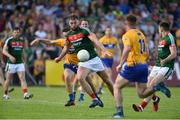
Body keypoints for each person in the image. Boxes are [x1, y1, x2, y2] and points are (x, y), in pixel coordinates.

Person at [55, 15, 114, 108]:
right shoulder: (69, 35)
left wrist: (104, 50)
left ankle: (117, 99)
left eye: (75, 22)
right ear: (69, 23)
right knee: (80, 78)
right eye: (71, 23)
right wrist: (59, 57)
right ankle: (95, 99)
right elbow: (66, 47)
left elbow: (95, 40)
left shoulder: (84, 31)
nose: (73, 24)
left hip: (94, 59)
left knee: (107, 80)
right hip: (83, 61)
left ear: (78, 22)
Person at [31, 28, 97, 106]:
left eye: (67, 35)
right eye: (65, 36)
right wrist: (39, 39)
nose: (66, 37)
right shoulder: (62, 41)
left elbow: (90, 45)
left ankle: (95, 98)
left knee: (88, 82)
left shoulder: (79, 41)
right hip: (69, 64)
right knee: (67, 78)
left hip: (81, 64)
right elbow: (50, 42)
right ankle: (71, 99)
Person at [132, 21, 176, 112]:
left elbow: (174, 54)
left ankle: (141, 107)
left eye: (159, 28)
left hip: (166, 66)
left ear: (161, 29)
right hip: (157, 65)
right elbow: (162, 52)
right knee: (149, 86)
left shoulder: (170, 38)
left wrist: (165, 60)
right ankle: (155, 99)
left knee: (152, 84)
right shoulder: (162, 38)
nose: (158, 30)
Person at [112, 14, 150, 118]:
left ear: (126, 23)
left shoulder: (127, 35)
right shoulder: (141, 34)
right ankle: (156, 87)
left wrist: (120, 63)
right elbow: (147, 51)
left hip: (133, 65)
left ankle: (119, 112)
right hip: (143, 65)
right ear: (135, 23)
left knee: (117, 86)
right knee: (141, 94)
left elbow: (127, 48)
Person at [2, 27, 33, 99]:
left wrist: (25, 62)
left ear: (19, 33)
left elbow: (22, 52)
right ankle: (5, 94)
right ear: (12, 33)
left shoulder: (21, 41)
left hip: (20, 63)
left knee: (22, 78)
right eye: (15, 32)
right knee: (8, 79)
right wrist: (10, 56)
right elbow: (4, 51)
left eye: (17, 32)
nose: (16, 33)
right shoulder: (9, 40)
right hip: (11, 63)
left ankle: (25, 94)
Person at [97, 26, 121, 94]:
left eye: (110, 31)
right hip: (104, 58)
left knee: (106, 75)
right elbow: (98, 49)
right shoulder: (102, 39)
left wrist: (119, 56)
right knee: (109, 72)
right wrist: (98, 57)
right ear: (105, 32)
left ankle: (99, 89)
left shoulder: (114, 39)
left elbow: (118, 48)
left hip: (111, 59)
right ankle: (113, 87)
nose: (109, 32)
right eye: (107, 31)